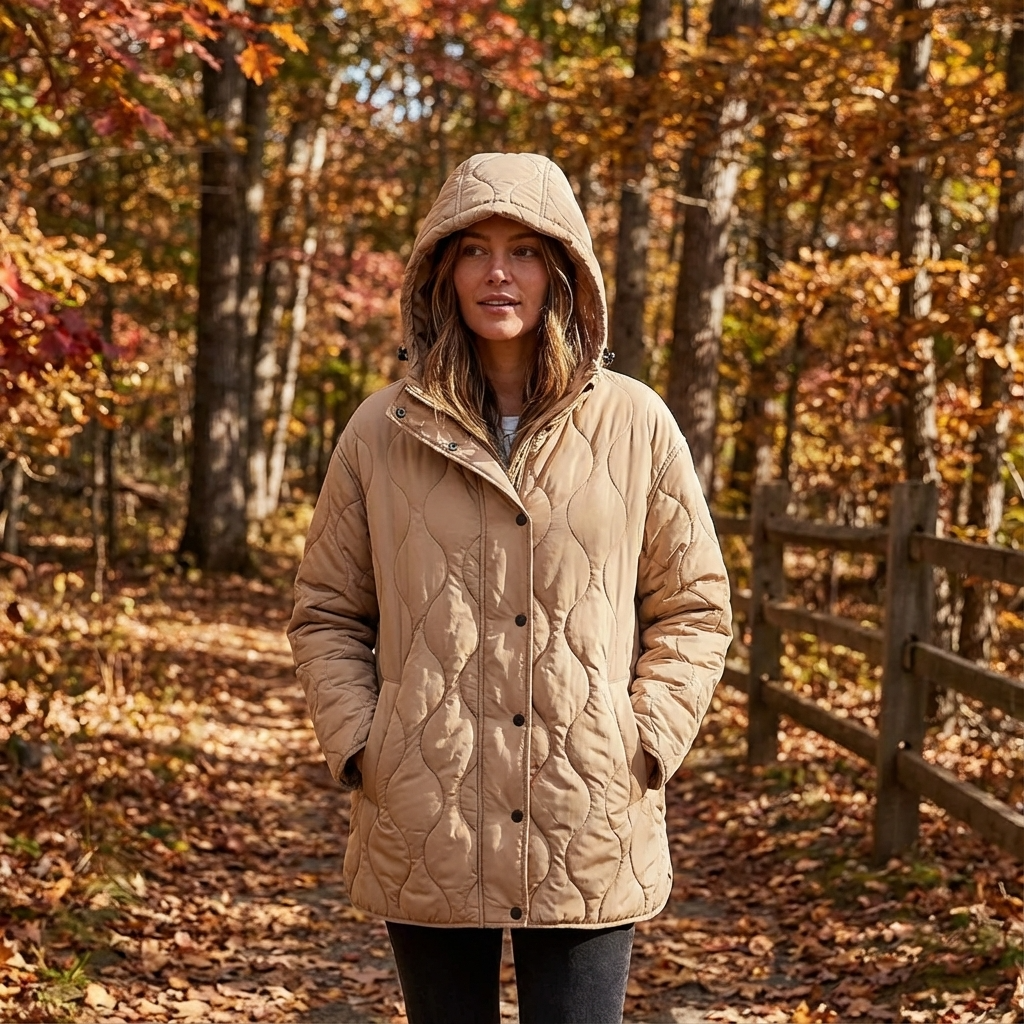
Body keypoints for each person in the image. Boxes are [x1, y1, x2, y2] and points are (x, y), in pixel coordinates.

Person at [287, 152, 732, 1024]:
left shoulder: (635, 421)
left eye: (525, 249)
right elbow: (327, 609)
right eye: (475, 250)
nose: (499, 272)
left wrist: (641, 741)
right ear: (440, 272)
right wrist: (365, 743)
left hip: (587, 809)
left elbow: (694, 605)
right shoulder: (382, 430)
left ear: (562, 270)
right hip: (427, 809)